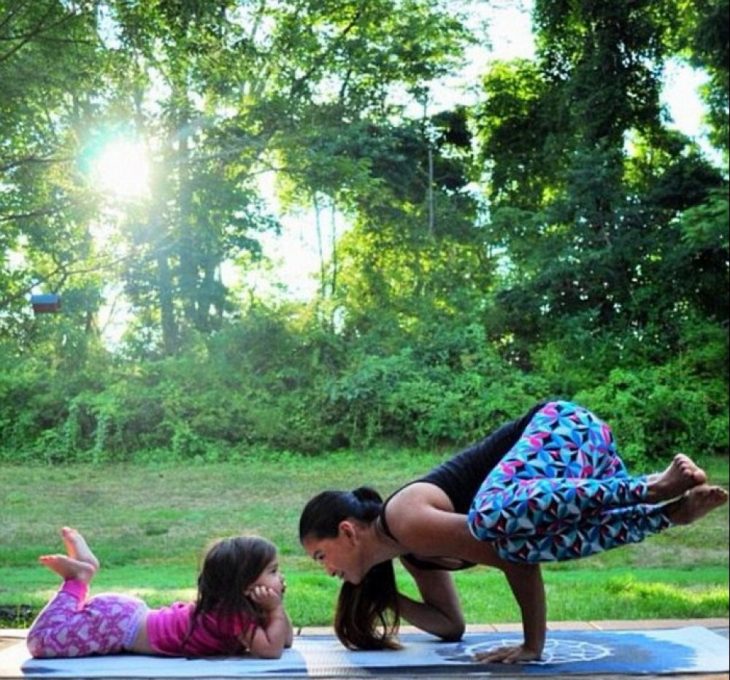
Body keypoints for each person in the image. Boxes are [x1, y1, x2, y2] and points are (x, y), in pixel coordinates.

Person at [299, 400, 728, 664]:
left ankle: (652, 488)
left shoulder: (406, 519)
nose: (325, 569)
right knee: (537, 536)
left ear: (347, 531)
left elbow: (511, 560)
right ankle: (668, 514)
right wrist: (385, 596)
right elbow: (450, 626)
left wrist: (532, 646)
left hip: (565, 429)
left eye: (321, 555)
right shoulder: (412, 551)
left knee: (493, 523)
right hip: (576, 477)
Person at [27, 527, 293, 659]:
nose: (279, 577)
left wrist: (274, 608)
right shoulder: (230, 614)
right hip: (118, 625)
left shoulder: (237, 608)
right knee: (40, 643)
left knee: (54, 635)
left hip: (127, 615)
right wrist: (275, 610)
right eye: (272, 571)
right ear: (244, 584)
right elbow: (271, 650)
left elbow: (285, 640)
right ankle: (77, 580)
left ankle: (84, 569)